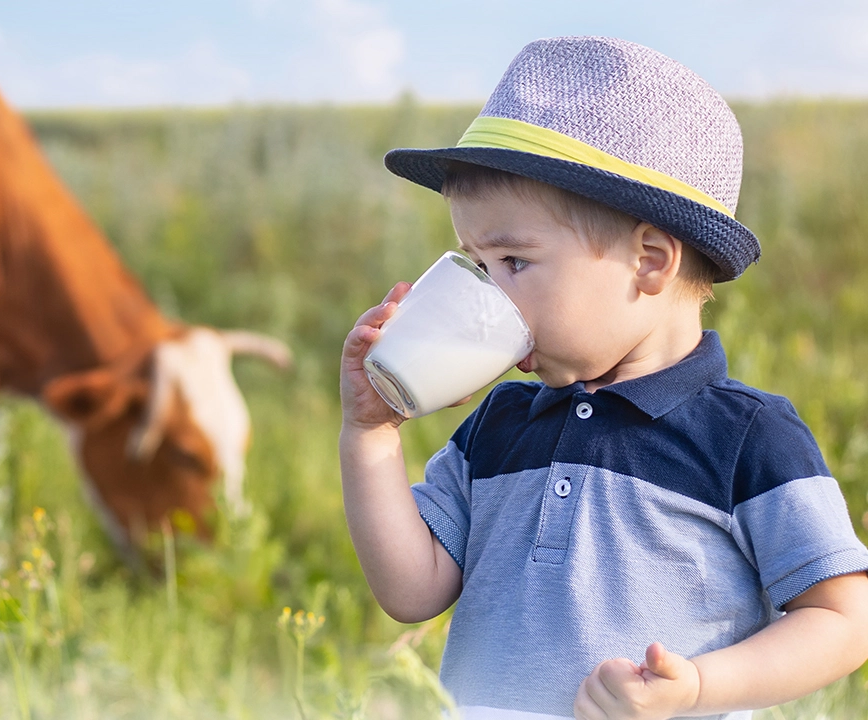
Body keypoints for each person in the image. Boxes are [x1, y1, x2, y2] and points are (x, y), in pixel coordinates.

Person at [338, 36, 868, 720]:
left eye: (513, 262)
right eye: (474, 260)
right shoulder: (499, 427)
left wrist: (702, 686)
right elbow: (411, 593)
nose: (488, 294)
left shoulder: (747, 438)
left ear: (649, 261)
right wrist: (370, 433)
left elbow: (843, 618)